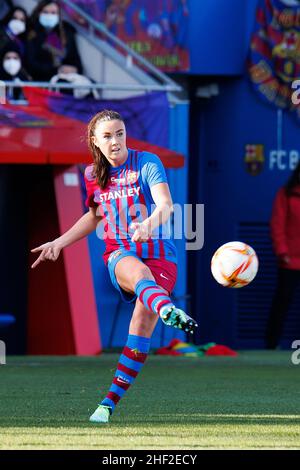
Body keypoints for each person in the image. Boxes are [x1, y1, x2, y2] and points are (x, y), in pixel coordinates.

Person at [31, 109, 197, 423]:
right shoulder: (93, 174)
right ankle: (167, 309)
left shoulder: (147, 162)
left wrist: (148, 223)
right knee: (139, 275)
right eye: (107, 136)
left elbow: (165, 205)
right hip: (120, 252)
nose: (116, 141)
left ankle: (106, 405)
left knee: (140, 324)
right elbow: (94, 216)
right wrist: (58, 242)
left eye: (120, 133)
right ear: (95, 141)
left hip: (161, 254)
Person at [266, 161, 300, 349]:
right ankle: (271, 343)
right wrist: (282, 251)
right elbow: (277, 224)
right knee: (282, 303)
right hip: (290, 261)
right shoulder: (285, 194)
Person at [26, 0, 82, 81]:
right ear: (39, 13)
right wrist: (57, 70)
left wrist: (74, 69)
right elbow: (31, 63)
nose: (49, 15)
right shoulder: (31, 33)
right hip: (41, 80)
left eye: (53, 13)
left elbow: (76, 61)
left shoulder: (67, 33)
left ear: (58, 15)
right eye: (45, 12)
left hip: (65, 80)